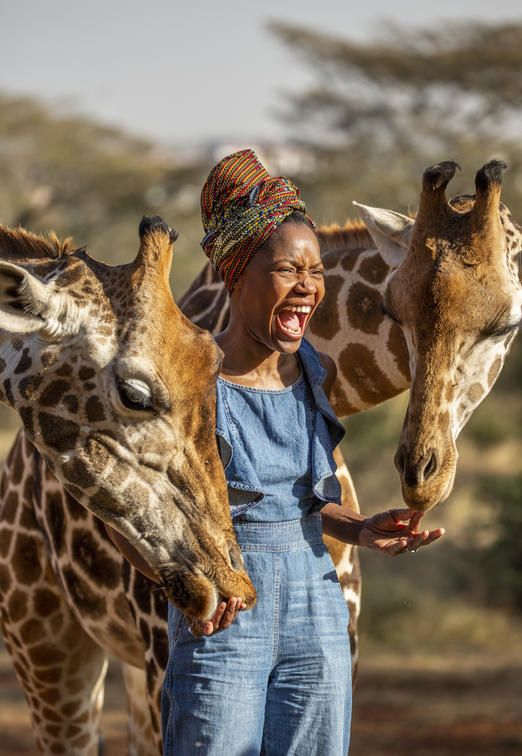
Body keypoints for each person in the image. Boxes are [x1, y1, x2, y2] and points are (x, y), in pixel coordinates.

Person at [109, 149, 444, 756]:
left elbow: (309, 504)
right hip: (225, 618)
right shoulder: (189, 385)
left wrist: (364, 528)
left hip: (317, 610)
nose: (308, 287)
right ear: (238, 275)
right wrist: (184, 585)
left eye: (315, 273)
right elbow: (128, 519)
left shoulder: (313, 371)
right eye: (290, 269)